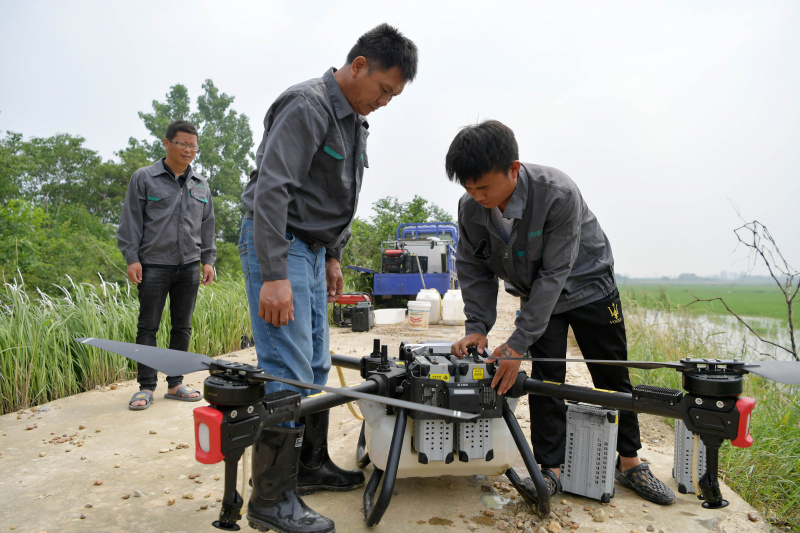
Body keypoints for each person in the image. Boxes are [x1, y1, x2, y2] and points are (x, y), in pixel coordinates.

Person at [239, 23, 418, 533]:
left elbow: (338, 196)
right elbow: (273, 190)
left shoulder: (354, 122)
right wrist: (274, 274)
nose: (384, 102)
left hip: (314, 252)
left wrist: (333, 256)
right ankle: (271, 500)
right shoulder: (308, 105)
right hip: (282, 244)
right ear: (359, 65)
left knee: (316, 366)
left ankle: (309, 466)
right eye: (383, 89)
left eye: (393, 96)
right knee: (287, 369)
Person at [447, 120, 675, 506]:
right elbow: (473, 267)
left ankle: (629, 461)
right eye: (469, 188)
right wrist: (477, 326)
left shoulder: (557, 193)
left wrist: (517, 343)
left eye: (483, 187)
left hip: (589, 287)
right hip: (537, 294)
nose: (477, 196)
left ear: (513, 169)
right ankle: (550, 470)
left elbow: (555, 273)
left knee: (610, 374)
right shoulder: (471, 209)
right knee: (546, 379)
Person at [117, 120, 216, 411]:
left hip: (189, 266)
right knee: (148, 326)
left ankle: (175, 384)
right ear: (167, 143)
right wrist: (132, 258)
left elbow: (207, 225)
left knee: (182, 326)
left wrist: (208, 260)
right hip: (153, 265)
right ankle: (146, 386)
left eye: (193, 146)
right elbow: (131, 220)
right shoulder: (144, 177)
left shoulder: (200, 184)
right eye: (182, 144)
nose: (188, 150)